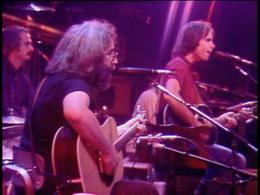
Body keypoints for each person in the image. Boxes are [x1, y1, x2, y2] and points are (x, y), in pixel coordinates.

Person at [19, 19, 158, 195]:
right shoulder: (76, 84)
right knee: (146, 191)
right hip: (59, 185)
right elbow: (76, 113)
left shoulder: (52, 81)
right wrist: (108, 153)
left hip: (45, 179)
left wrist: (123, 130)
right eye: (111, 53)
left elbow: (77, 141)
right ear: (93, 56)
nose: (115, 60)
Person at [158, 20, 247, 195]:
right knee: (237, 161)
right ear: (194, 40)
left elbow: (198, 116)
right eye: (208, 40)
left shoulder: (190, 72)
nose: (213, 46)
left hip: (191, 142)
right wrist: (197, 125)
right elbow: (170, 96)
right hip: (182, 144)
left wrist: (221, 121)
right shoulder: (178, 65)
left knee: (233, 161)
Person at [3, 26, 34, 117]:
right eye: (27, 44)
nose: (32, 48)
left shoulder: (24, 80)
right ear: (13, 46)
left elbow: (33, 107)